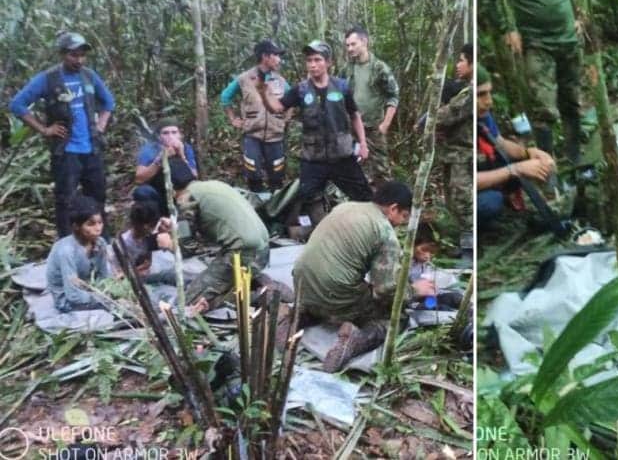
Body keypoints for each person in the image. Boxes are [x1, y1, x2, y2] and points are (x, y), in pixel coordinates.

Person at [294, 181, 437, 372]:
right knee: (397, 318)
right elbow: (385, 290)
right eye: (404, 216)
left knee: (343, 289)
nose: (402, 222)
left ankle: (298, 316)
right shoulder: (385, 232)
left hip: (301, 285)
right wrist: (414, 290)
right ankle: (356, 340)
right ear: (393, 208)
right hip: (335, 293)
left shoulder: (345, 207)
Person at [480, 0, 583, 162]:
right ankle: (546, 167)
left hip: (569, 41)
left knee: (572, 102)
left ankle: (575, 159)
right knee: (544, 109)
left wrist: (580, 15)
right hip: (537, 44)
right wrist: (507, 30)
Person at [8, 32, 116, 237]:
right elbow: (17, 105)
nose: (79, 60)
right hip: (66, 152)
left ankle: (101, 241)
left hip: (92, 149)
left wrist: (101, 125)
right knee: (65, 200)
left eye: (82, 55)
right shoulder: (48, 79)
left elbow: (109, 102)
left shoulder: (89, 76)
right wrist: (44, 129)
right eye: (73, 55)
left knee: (97, 197)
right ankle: (67, 243)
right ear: (62, 54)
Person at [263, 40, 373, 222]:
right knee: (306, 199)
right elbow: (277, 108)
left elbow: (354, 115)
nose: (312, 65)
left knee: (364, 196)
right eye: (309, 60)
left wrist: (363, 144)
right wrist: (263, 91)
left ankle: (368, 227)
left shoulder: (342, 87)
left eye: (317, 60)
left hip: (342, 156)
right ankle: (315, 229)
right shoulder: (300, 90)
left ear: (328, 62)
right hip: (313, 158)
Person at [169, 166, 288, 312]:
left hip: (242, 254)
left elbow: (188, 247)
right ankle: (254, 282)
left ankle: (259, 296)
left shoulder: (186, 198)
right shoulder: (213, 186)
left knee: (188, 303)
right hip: (262, 250)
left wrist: (170, 243)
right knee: (220, 277)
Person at [476, 67, 555, 227]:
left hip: (482, 170)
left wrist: (529, 153)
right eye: (480, 94)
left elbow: (500, 143)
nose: (489, 101)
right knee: (490, 202)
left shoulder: (481, 114)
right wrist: (515, 170)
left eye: (489, 93)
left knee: (527, 165)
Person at [219, 39, 292, 193]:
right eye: (276, 55)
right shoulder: (244, 78)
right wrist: (232, 118)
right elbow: (225, 97)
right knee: (253, 174)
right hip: (252, 135)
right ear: (265, 56)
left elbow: (291, 100)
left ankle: (275, 202)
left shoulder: (280, 81)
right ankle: (256, 200)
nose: (279, 59)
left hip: (275, 136)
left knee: (277, 175)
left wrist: (286, 119)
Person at [342, 25, 399, 188]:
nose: (350, 48)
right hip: (352, 128)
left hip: (374, 127)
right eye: (347, 45)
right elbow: (340, 92)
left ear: (364, 42)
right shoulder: (348, 68)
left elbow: (393, 95)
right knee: (354, 167)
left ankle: (386, 200)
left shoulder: (379, 68)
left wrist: (385, 124)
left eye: (353, 44)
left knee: (381, 169)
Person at [435, 45, 474, 261]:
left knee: (463, 201)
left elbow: (446, 115)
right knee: (452, 201)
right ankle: (461, 245)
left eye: (461, 60)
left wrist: (434, 114)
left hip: (463, 155)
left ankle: (469, 252)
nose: (457, 65)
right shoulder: (463, 90)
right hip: (451, 153)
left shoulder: (470, 93)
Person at [46, 195, 112, 312]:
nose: (98, 228)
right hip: (67, 299)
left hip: (91, 289)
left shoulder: (100, 243)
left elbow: (104, 276)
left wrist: (108, 290)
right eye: (91, 224)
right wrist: (102, 298)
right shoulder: (67, 251)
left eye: (100, 222)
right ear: (76, 226)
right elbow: (73, 295)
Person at [133, 117, 199, 214]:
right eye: (165, 133)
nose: (170, 136)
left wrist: (181, 156)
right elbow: (139, 179)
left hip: (181, 193)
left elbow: (194, 176)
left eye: (174, 132)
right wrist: (160, 160)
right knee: (142, 192)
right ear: (159, 136)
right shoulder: (150, 149)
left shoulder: (186, 148)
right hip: (158, 192)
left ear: (180, 135)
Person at [119, 201, 175, 285]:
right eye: (153, 225)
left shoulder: (146, 235)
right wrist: (141, 268)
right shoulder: (125, 243)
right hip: (136, 280)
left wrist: (170, 231)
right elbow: (120, 275)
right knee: (167, 276)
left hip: (146, 272)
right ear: (146, 226)